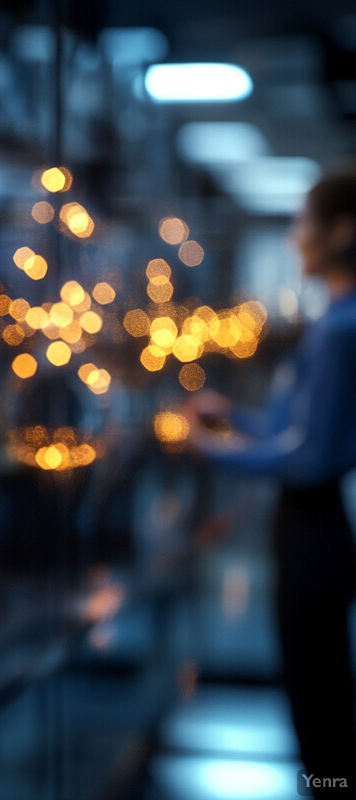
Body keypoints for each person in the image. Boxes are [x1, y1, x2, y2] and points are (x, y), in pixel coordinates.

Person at [186, 169, 356, 797]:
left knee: (319, 705)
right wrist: (234, 419)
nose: (295, 239)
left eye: (304, 223)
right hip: (312, 529)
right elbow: (298, 429)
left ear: (342, 231)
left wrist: (215, 449)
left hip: (313, 529)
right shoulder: (336, 320)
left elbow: (307, 456)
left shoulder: (341, 329)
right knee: (318, 694)